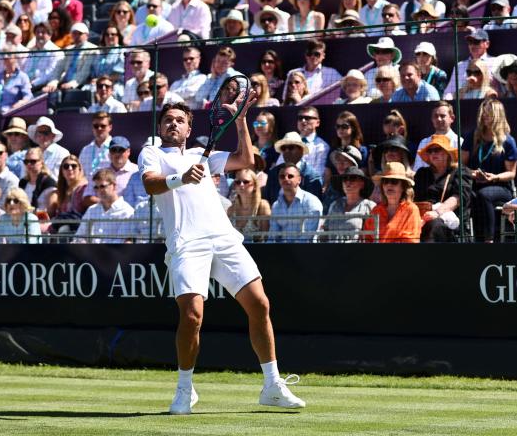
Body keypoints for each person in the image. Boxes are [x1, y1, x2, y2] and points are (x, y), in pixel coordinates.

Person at [139, 99, 305, 412]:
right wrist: (181, 178)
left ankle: (272, 385)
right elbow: (150, 184)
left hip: (224, 238)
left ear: (189, 128)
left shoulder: (204, 156)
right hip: (186, 243)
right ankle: (185, 389)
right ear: (160, 127)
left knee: (260, 304)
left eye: (179, 120)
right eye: (167, 120)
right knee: (192, 316)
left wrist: (241, 120)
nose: (173, 124)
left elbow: (246, 159)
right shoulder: (152, 152)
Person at [461, 99, 517, 243]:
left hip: (501, 186)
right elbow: (460, 165)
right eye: (483, 112)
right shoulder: (472, 137)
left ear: (498, 115)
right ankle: (467, 238)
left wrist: (494, 177)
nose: (485, 115)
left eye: (489, 113)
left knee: (484, 194)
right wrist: (473, 173)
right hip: (475, 183)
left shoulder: (508, 141)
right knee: (468, 195)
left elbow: (511, 173)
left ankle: (489, 240)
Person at [413, 135, 472, 242]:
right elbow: (412, 197)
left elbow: (458, 198)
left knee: (434, 224)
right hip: (422, 219)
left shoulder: (460, 172)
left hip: (449, 224)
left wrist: (437, 213)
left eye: (437, 149)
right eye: (430, 151)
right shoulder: (422, 173)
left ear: (447, 153)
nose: (433, 153)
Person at [363, 163, 421, 243]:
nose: (389, 185)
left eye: (394, 181)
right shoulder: (376, 210)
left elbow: (411, 241)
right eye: (385, 181)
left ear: (403, 187)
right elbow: (367, 240)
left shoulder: (411, 209)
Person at [320, 167, 375, 243]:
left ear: (362, 184)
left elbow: (372, 237)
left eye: (352, 179)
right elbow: (325, 231)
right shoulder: (335, 205)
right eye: (345, 179)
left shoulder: (369, 206)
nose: (348, 182)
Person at [227, 168, 270, 243]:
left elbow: (265, 238)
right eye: (237, 182)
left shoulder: (262, 206)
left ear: (255, 185)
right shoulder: (231, 209)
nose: (241, 185)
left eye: (246, 182)